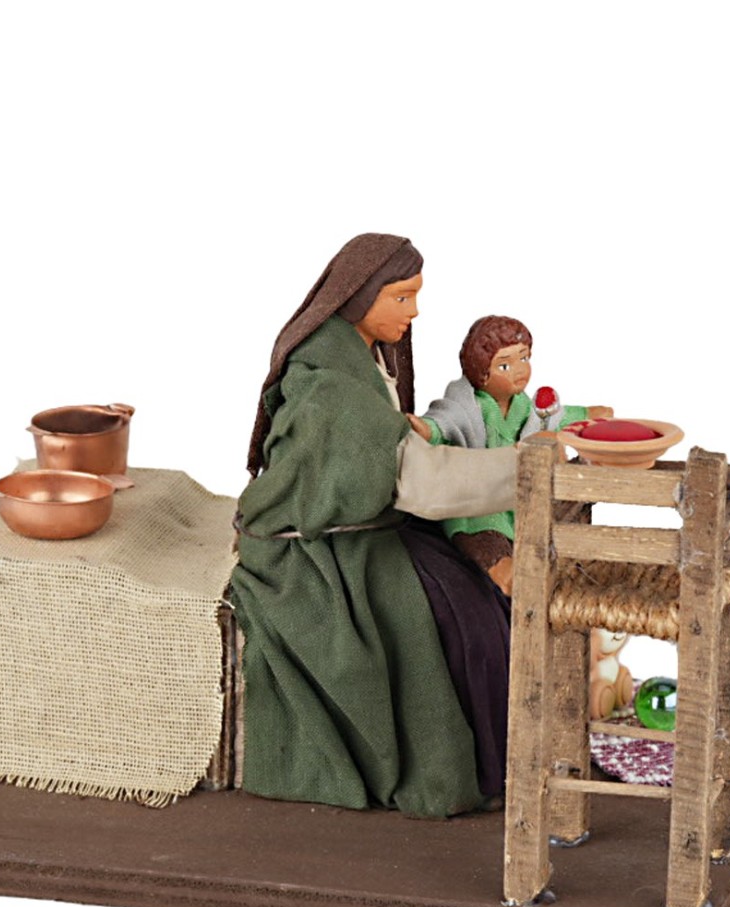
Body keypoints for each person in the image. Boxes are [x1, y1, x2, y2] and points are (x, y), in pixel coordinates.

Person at [230, 234, 520, 816]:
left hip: (372, 524)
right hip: (315, 551)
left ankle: (506, 752)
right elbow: (424, 482)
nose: (414, 313)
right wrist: (531, 469)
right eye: (402, 298)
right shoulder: (332, 388)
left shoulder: (363, 355)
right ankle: (457, 768)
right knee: (456, 616)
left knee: (480, 588)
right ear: (359, 296)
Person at [409, 315, 611, 596]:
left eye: (524, 359)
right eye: (505, 365)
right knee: (484, 528)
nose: (519, 370)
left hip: (519, 493)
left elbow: (554, 418)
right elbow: (446, 422)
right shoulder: (469, 407)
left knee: (552, 512)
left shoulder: (524, 406)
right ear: (482, 372)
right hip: (480, 495)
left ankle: (563, 564)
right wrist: (427, 429)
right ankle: (503, 568)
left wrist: (587, 414)